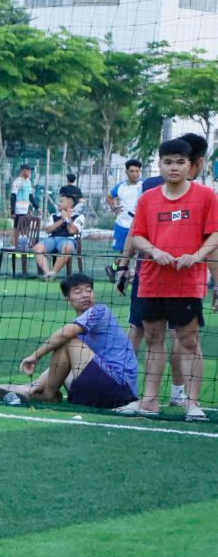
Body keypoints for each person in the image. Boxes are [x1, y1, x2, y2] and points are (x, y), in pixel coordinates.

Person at [116, 136, 218, 421]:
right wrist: (154, 251)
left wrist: (197, 256)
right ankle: (149, 400)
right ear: (159, 165)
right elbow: (137, 235)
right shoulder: (147, 198)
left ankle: (192, 404)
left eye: (180, 162)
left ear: (190, 165)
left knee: (188, 340)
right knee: (152, 338)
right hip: (152, 280)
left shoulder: (206, 196)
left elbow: (215, 234)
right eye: (168, 162)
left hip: (187, 282)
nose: (174, 167)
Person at [0, 273, 138, 411]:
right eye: (78, 292)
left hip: (120, 389)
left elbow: (65, 334)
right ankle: (33, 388)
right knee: (64, 355)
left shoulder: (100, 311)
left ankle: (44, 394)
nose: (85, 295)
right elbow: (59, 363)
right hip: (96, 391)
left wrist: (35, 356)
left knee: (66, 340)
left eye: (88, 290)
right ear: (67, 300)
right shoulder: (80, 325)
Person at [31, 192, 84, 280]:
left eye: (61, 201)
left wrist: (68, 219)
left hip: (69, 240)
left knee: (67, 248)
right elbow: (48, 230)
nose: (58, 204)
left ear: (69, 204)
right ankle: (48, 274)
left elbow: (72, 231)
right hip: (52, 239)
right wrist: (62, 220)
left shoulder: (79, 217)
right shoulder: (54, 216)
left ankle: (53, 273)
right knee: (37, 248)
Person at [107, 158, 143, 255]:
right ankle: (121, 264)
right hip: (121, 223)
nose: (135, 174)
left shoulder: (144, 185)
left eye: (137, 171)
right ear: (126, 172)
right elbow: (109, 197)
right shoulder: (120, 186)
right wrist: (113, 207)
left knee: (135, 249)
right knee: (122, 251)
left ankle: (118, 263)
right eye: (132, 171)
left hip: (137, 224)